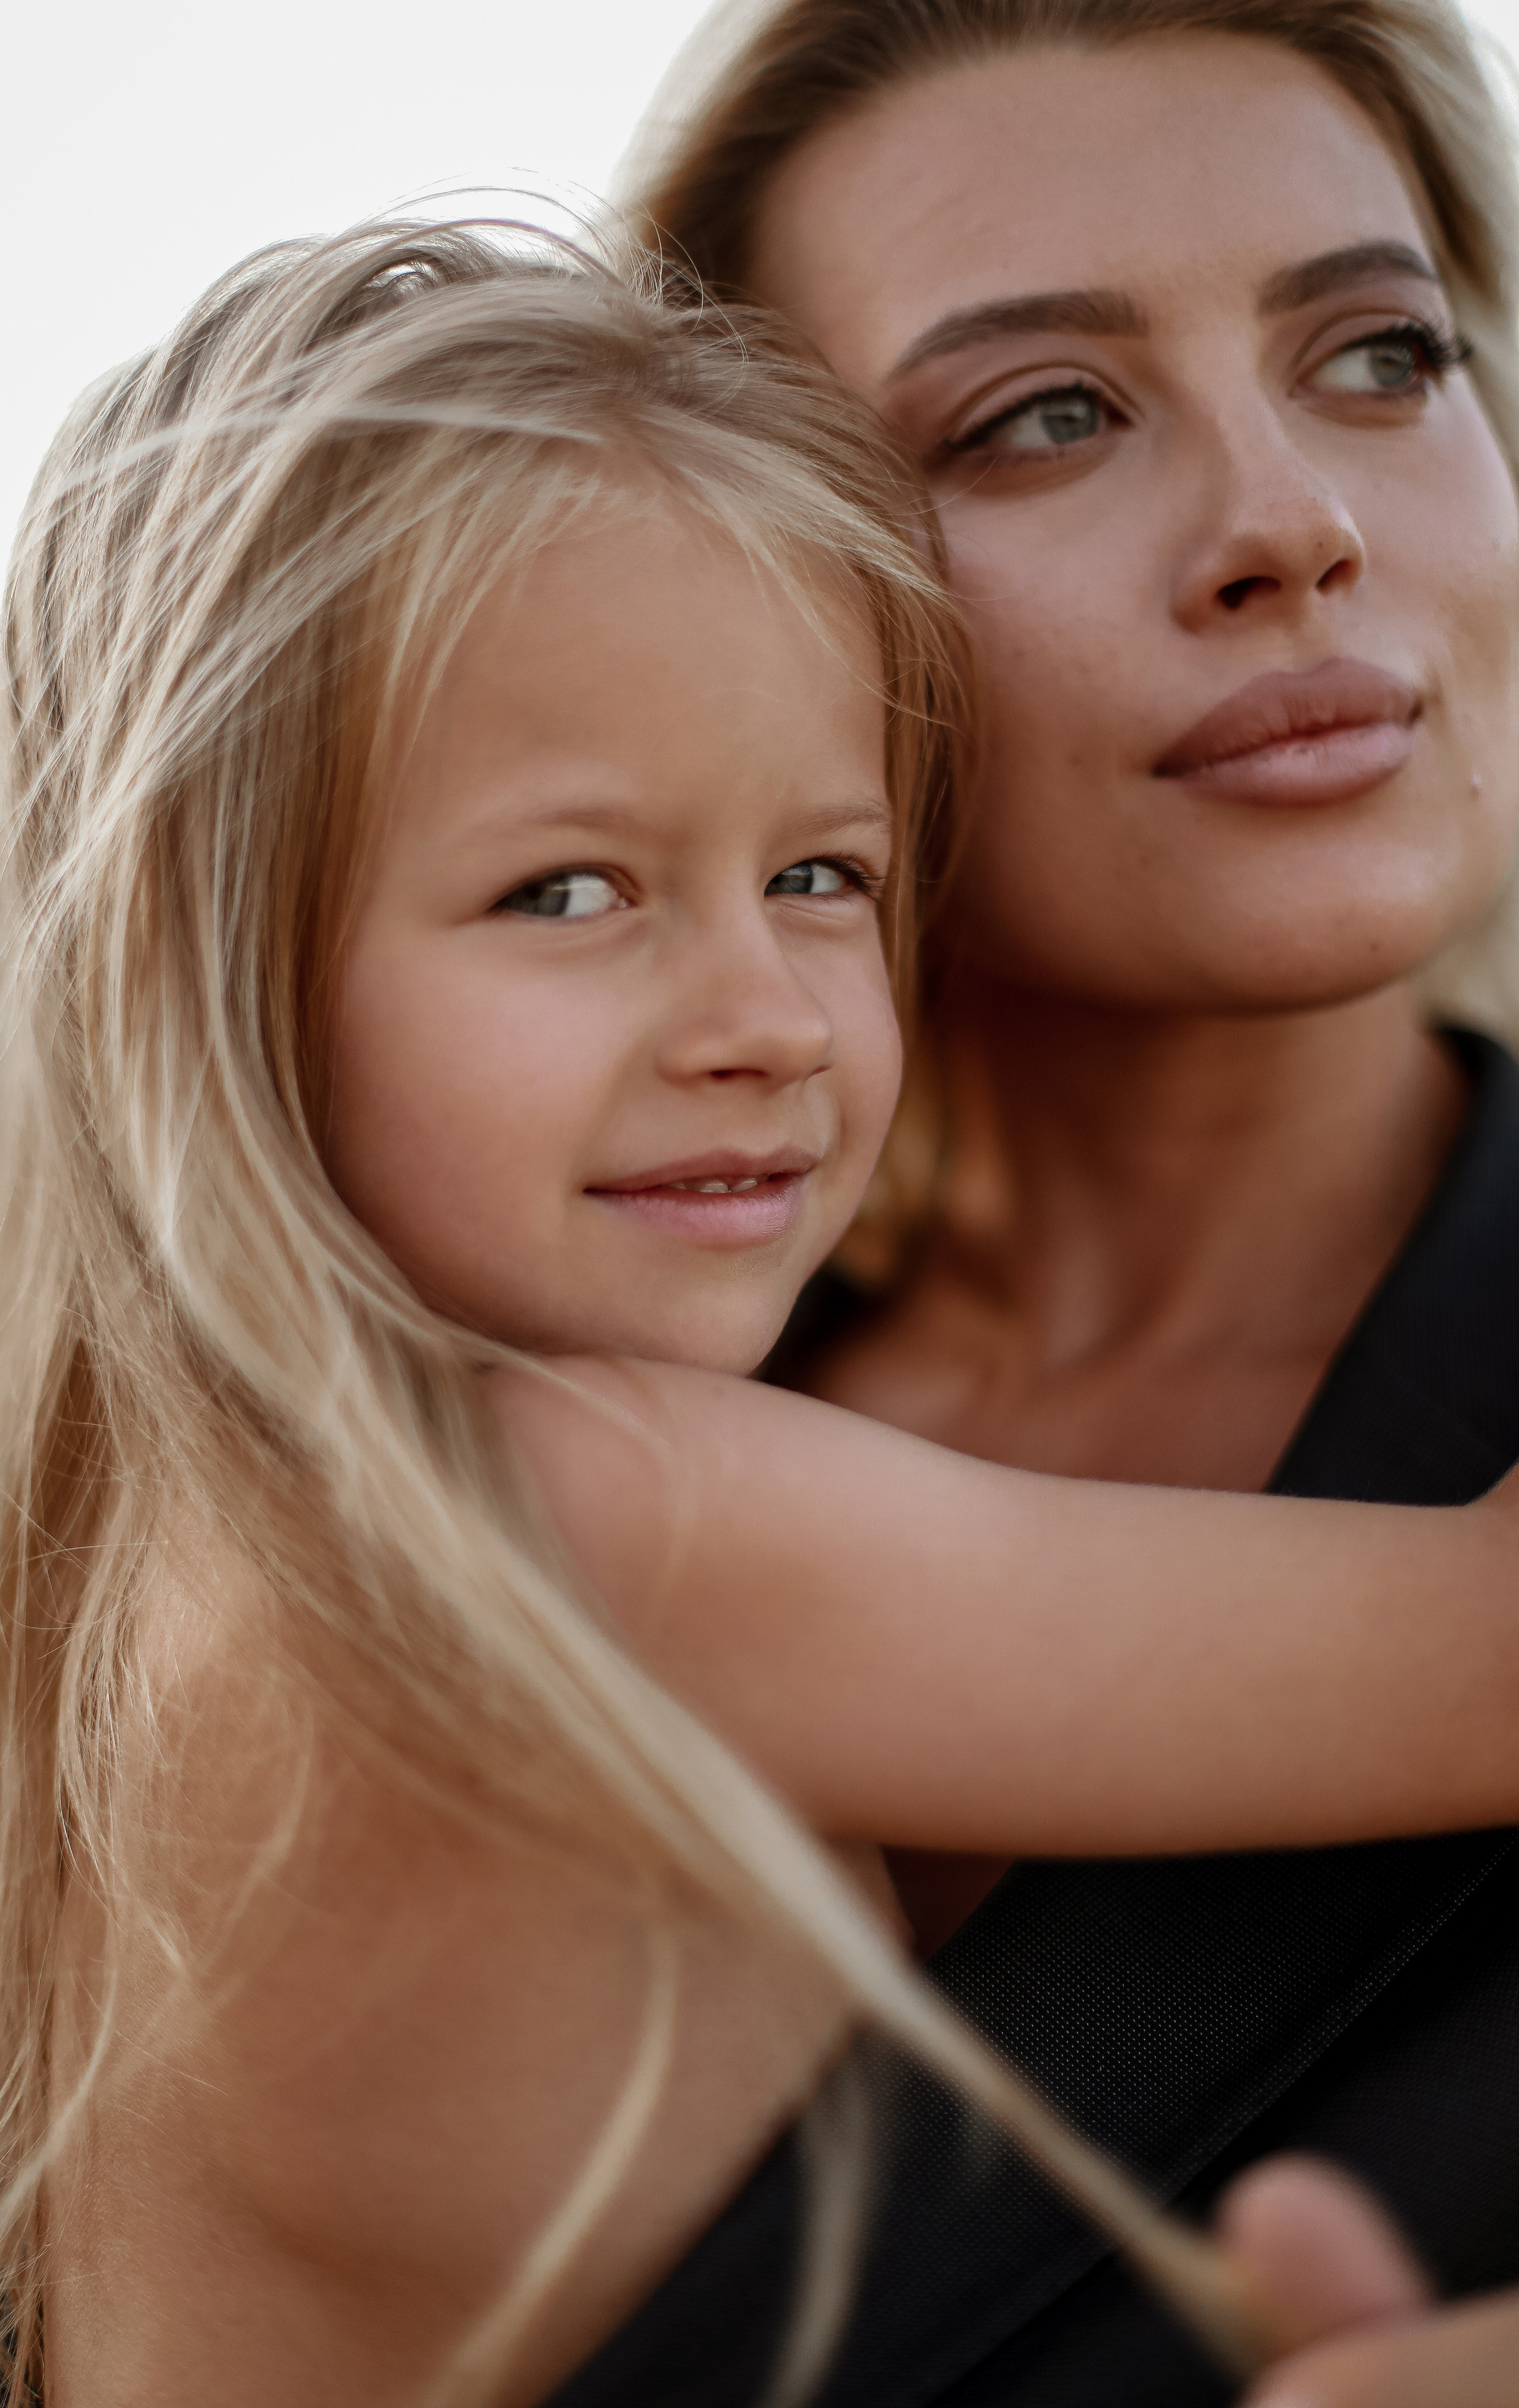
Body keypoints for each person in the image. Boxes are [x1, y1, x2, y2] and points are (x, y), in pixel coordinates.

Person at [0, 209, 1519, 2408]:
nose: (764, 1016)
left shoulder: (173, 1559)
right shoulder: (577, 1519)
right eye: (567, 889)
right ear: (214, 979)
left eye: (821, 878)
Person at [530, 0, 1519, 2400]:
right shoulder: (493, 1449)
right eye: (1046, 413)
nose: (1296, 519)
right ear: (745, 586)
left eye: (1383, 353)